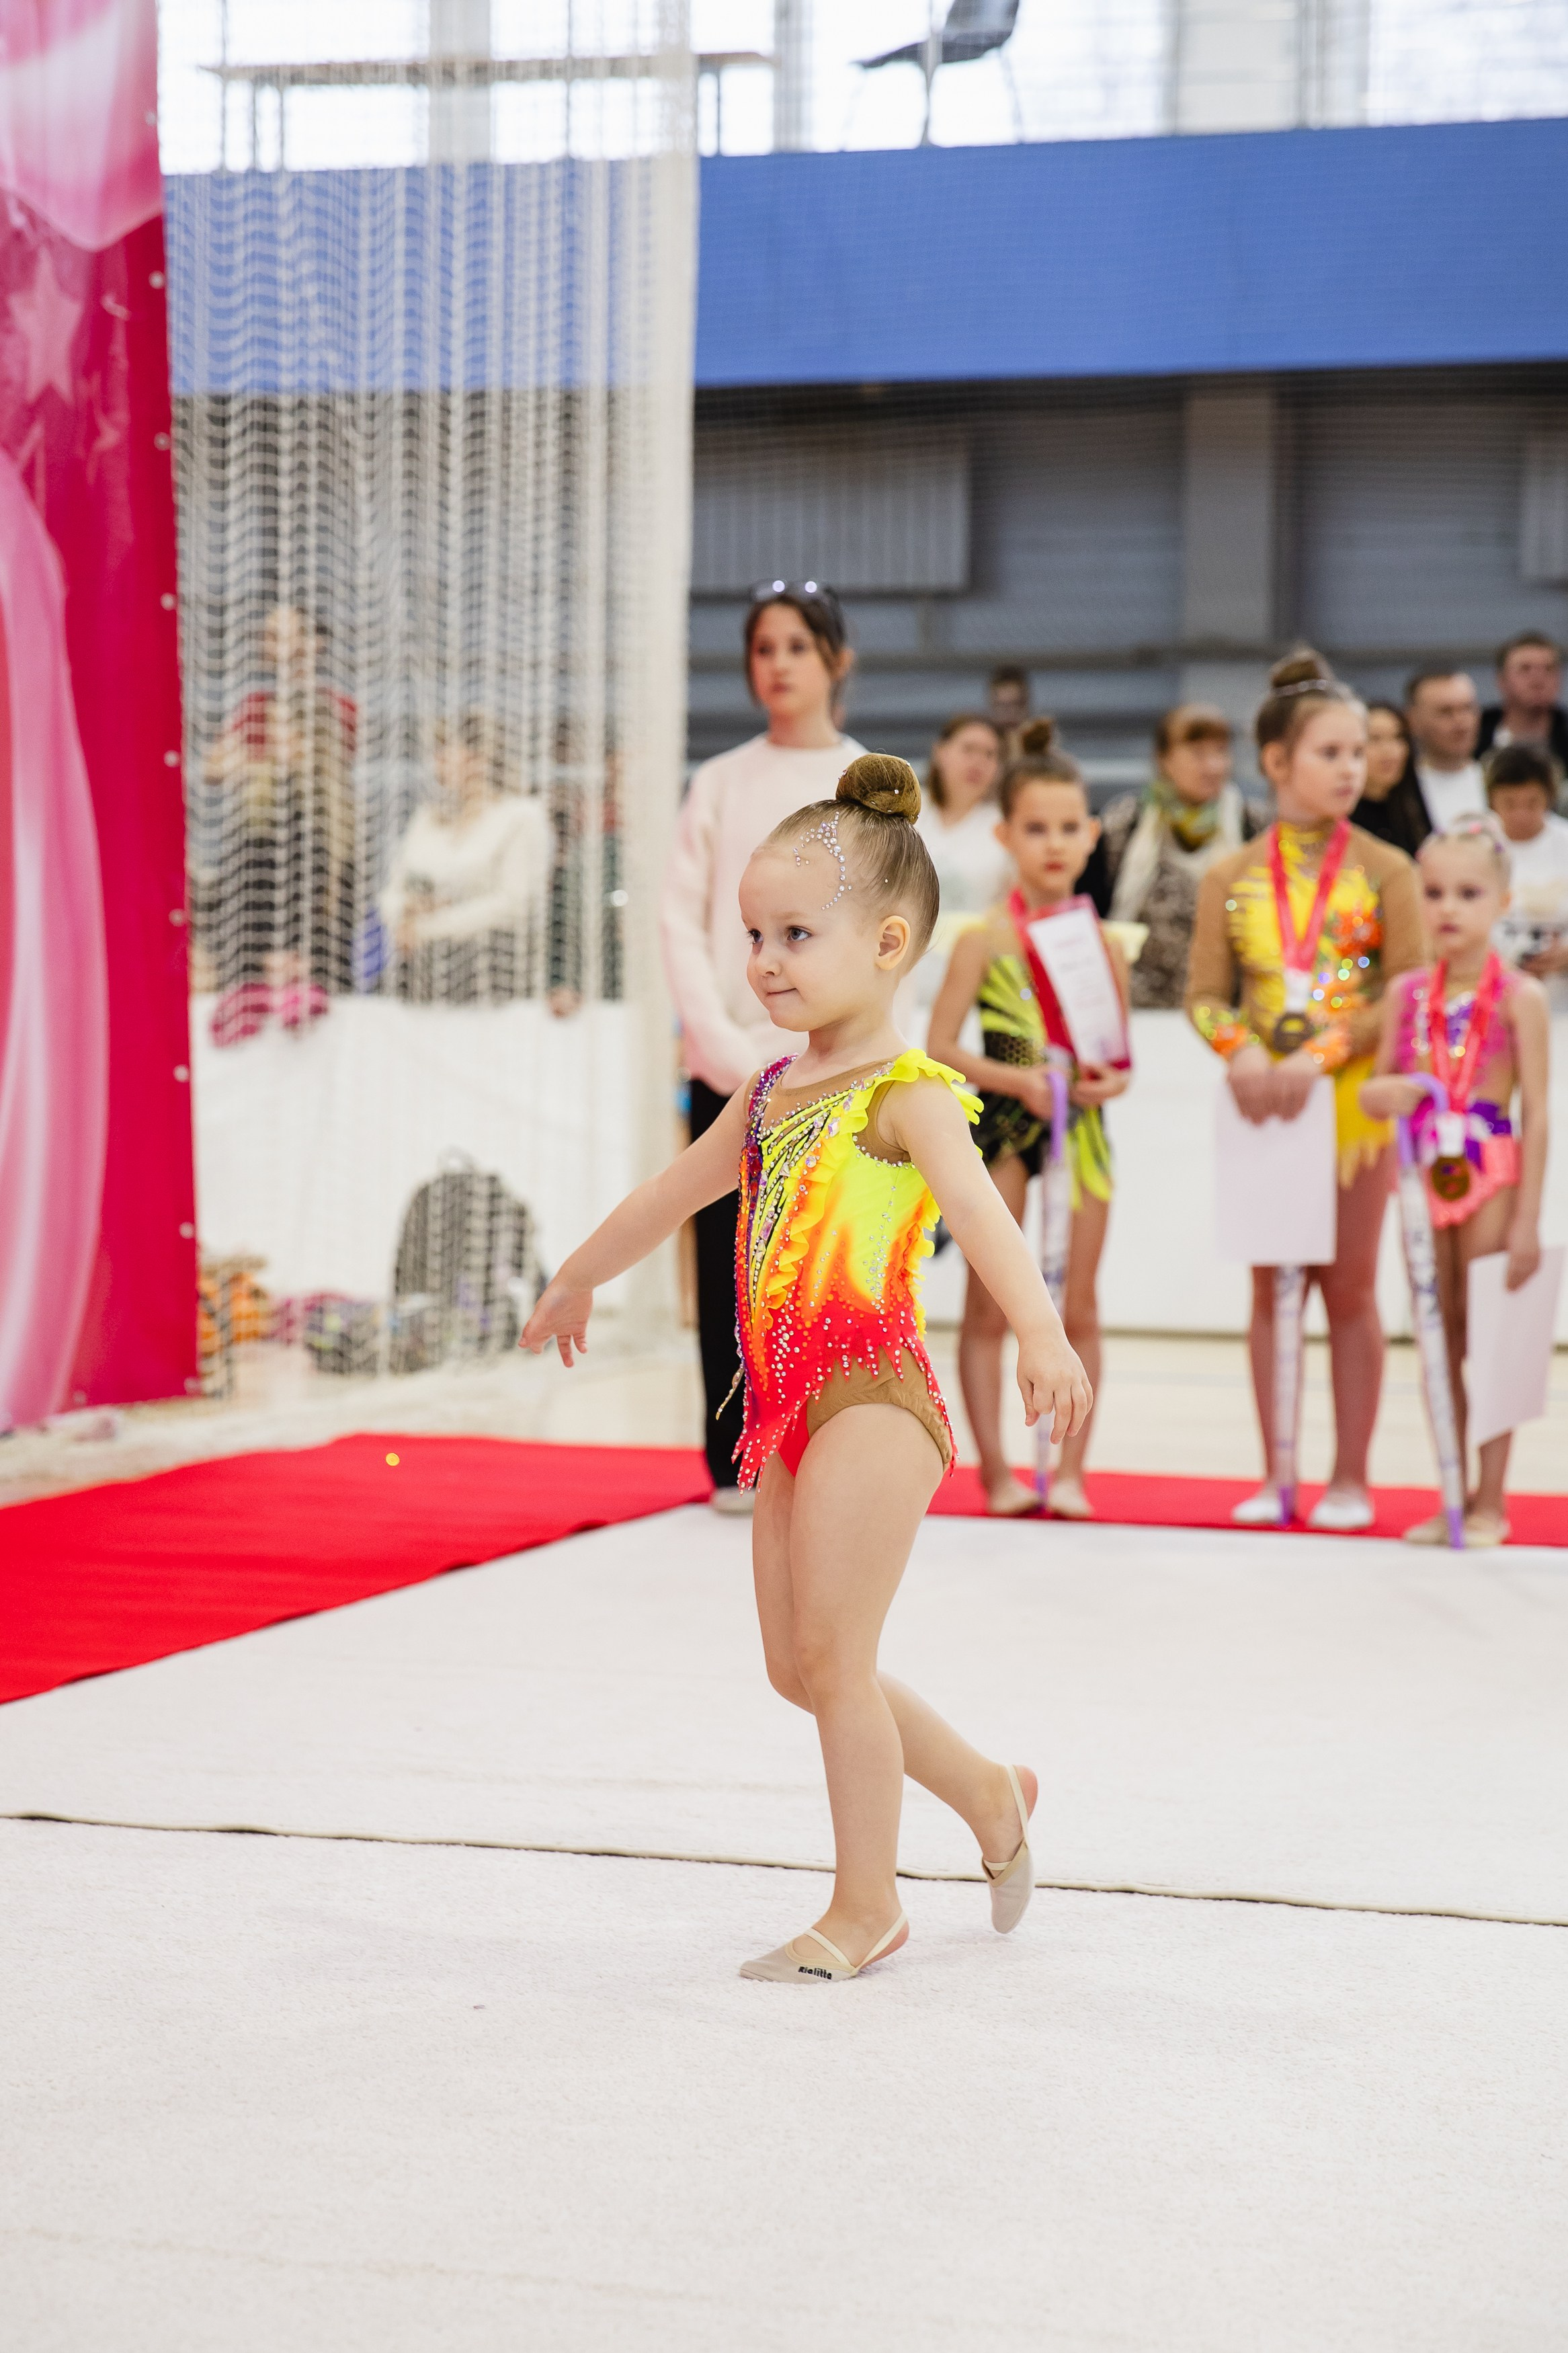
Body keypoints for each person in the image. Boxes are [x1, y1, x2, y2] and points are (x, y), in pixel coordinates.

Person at [523, 756, 1091, 1983]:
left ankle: (865, 1904)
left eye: (794, 934)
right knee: (800, 1669)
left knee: (834, 1657)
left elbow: (984, 1221)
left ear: (888, 943)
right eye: (752, 936)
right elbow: (668, 1197)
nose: (764, 961)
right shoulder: (769, 1093)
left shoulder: (907, 1092)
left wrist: (1041, 1334)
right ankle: (990, 1793)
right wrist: (577, 1272)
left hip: (876, 1396)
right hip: (786, 1405)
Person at [1186, 650, 1423, 1532]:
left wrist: (1321, 1050)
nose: (1349, 768)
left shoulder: (1387, 869)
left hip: (1352, 1110)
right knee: (1269, 1287)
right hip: (1265, 1107)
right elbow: (1204, 995)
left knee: (1349, 1288)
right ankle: (1275, 1473)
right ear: (1276, 763)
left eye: (1358, 752)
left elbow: (1406, 986)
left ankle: (1351, 1478)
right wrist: (1242, 1051)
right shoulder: (1230, 877)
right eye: (1329, 752)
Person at [661, 583, 865, 1510]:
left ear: (835, 659)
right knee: (726, 1259)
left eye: (795, 646)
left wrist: (839, 1050)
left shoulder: (865, 782)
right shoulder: (720, 782)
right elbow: (680, 921)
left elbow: (882, 923)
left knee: (827, 1263)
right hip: (727, 1065)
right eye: (762, 648)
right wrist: (725, 1052)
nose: (777, 664)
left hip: (835, 1069)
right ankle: (731, 1455)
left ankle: (825, 1441)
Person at [927, 720, 1128, 1519]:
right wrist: (1017, 1078)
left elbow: (1113, 1063)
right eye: (1035, 828)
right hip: (1002, 1128)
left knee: (1077, 1303)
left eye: (1068, 827)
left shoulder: (1100, 945)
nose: (1053, 843)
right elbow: (939, 1045)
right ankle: (996, 1473)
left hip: (1076, 1134)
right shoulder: (983, 939)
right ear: (1005, 835)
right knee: (990, 1304)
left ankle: (1071, 1473)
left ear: (1091, 835)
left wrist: (1098, 1085)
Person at [1362, 818, 1549, 1546]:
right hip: (1421, 1177)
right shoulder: (1407, 992)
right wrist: (1397, 1093)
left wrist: (1528, 1218)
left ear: (1502, 899)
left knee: (1491, 1332)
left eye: (1467, 893)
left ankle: (1490, 1497)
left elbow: (1536, 1113)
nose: (1447, 908)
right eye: (1433, 891)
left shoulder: (1519, 997)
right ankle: (1449, 1486)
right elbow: (1374, 1091)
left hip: (1491, 1170)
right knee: (1439, 1335)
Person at [200, 604, 358, 1031]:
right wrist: (266, 756)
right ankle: (257, 985)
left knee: (309, 878)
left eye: (287, 635)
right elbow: (214, 767)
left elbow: (314, 763)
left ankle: (302, 978)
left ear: (314, 643)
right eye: (271, 637)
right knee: (248, 875)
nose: (278, 646)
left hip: (319, 833)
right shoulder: (257, 705)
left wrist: (267, 754)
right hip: (261, 835)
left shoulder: (334, 705)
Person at [1098, 702, 1264, 1010]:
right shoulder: (1124, 823)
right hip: (1138, 1010)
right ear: (1164, 760)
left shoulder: (1254, 826)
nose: (1214, 766)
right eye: (1199, 753)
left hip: (1227, 1008)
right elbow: (1097, 913)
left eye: (1221, 752)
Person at [378, 711, 551, 1004]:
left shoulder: (521, 816)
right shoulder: (428, 817)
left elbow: (516, 903)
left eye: (446, 752)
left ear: (480, 760)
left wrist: (429, 926)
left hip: (492, 972)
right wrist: (405, 911)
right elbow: (393, 890)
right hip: (415, 970)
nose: (437, 761)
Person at [907, 712, 1009, 1017]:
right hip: (906, 972)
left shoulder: (1005, 826)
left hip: (974, 984)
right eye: (969, 750)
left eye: (989, 755)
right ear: (941, 752)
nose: (978, 762)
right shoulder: (908, 813)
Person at [1487, 744, 1568, 1010]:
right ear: (1491, 799)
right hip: (1494, 997)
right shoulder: (1474, 844)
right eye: (1509, 803)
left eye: (1532, 803)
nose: (1520, 814)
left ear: (1549, 796)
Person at [1405, 668, 1486, 835]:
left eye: (1467, 708)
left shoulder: (1500, 781)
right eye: (1445, 712)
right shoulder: (1402, 792)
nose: (1460, 722)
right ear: (1413, 720)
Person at [1478, 631, 1568, 775]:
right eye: (1525, 669)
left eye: (1549, 669)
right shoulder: (1475, 740)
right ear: (1501, 680)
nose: (1538, 680)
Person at [1349, 701, 1426, 853]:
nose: (1389, 750)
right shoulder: (1340, 817)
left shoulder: (1413, 806)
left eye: (1397, 737)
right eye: (1375, 739)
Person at [986, 664, 1030, 742]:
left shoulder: (1042, 746)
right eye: (1000, 705)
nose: (1008, 713)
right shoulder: (983, 739)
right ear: (991, 703)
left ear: (1025, 704)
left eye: (1015, 705)